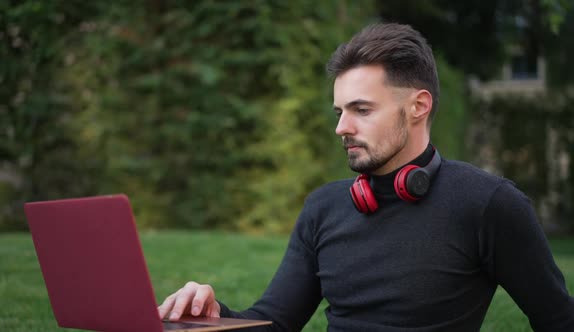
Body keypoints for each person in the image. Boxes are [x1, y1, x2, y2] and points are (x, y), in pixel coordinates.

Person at [158, 23, 574, 331]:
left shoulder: (488, 204)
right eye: (339, 111)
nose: (341, 127)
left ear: (418, 106)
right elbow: (273, 322)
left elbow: (557, 320)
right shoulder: (324, 207)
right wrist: (214, 316)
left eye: (361, 109)